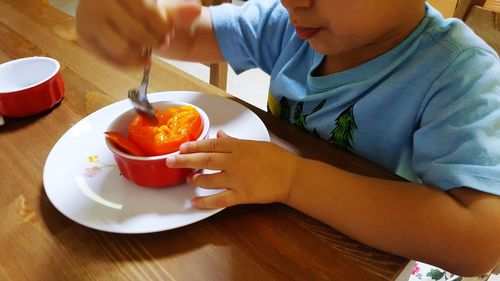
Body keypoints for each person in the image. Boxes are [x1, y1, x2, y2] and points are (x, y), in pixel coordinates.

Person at [75, 0, 500, 277]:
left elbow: (478, 241)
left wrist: (293, 179)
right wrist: (130, 21)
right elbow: (187, 33)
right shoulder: (288, 26)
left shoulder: (462, 75)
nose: (292, 1)